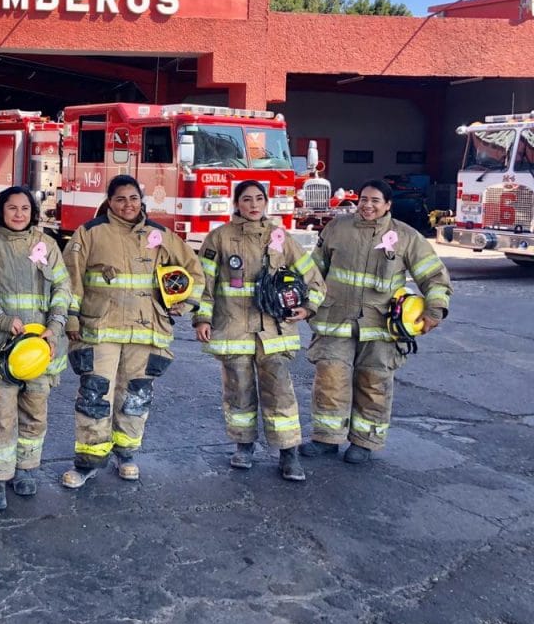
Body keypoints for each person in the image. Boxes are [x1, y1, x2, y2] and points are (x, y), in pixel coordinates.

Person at [61, 174, 204, 488]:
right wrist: (71, 317)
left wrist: (185, 303)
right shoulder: (89, 234)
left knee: (136, 396)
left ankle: (125, 454)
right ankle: (87, 462)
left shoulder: (161, 235)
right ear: (110, 202)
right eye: (121, 199)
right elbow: (69, 279)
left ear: (142, 201)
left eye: (134, 198)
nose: (128, 205)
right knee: (95, 394)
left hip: (147, 331)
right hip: (99, 329)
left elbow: (195, 271)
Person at [300, 178, 451, 464]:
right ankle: (326, 438)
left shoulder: (405, 236)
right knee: (330, 380)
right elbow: (314, 270)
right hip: (335, 320)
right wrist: (305, 302)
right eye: (364, 200)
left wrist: (435, 309)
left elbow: (433, 275)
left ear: (388, 205)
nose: (368, 206)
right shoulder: (337, 228)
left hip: (381, 327)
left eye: (375, 201)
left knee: (374, 384)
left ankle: (365, 441)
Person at [194, 180, 326, 481]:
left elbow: (314, 280)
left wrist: (307, 308)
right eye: (246, 200)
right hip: (233, 329)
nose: (253, 205)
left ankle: (288, 453)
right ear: (236, 204)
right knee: (238, 391)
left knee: (280, 392)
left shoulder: (280, 237)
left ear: (265, 203)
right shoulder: (219, 238)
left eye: (258, 199)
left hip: (275, 332)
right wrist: (202, 320)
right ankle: (244, 445)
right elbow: (205, 285)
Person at [0, 186, 72, 511]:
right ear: (1, 212)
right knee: (1, 414)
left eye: (25, 208)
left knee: (35, 413)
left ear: (33, 212)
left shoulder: (46, 245)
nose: (19, 214)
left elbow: (63, 288)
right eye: (12, 208)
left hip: (41, 350)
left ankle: (25, 469)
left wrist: (55, 326)